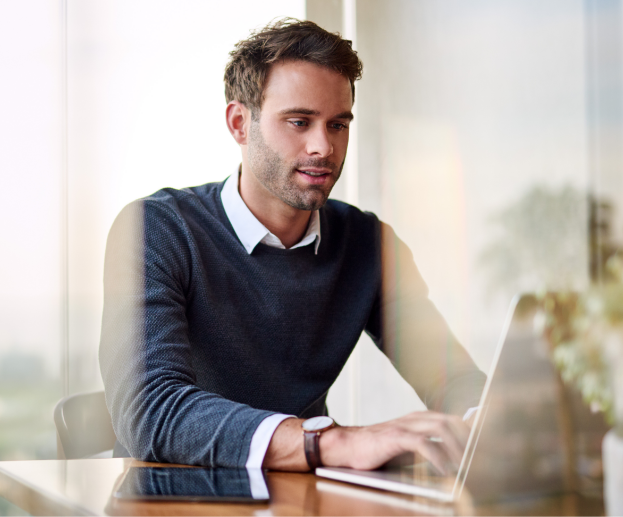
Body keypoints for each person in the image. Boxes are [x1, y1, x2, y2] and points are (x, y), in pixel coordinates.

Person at [99, 18, 485, 474]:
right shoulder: (157, 229)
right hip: (179, 495)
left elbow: (452, 378)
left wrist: (485, 421)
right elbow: (151, 410)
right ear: (240, 123)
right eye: (299, 122)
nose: (323, 146)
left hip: (303, 494)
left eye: (338, 125)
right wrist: (328, 442)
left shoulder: (368, 244)